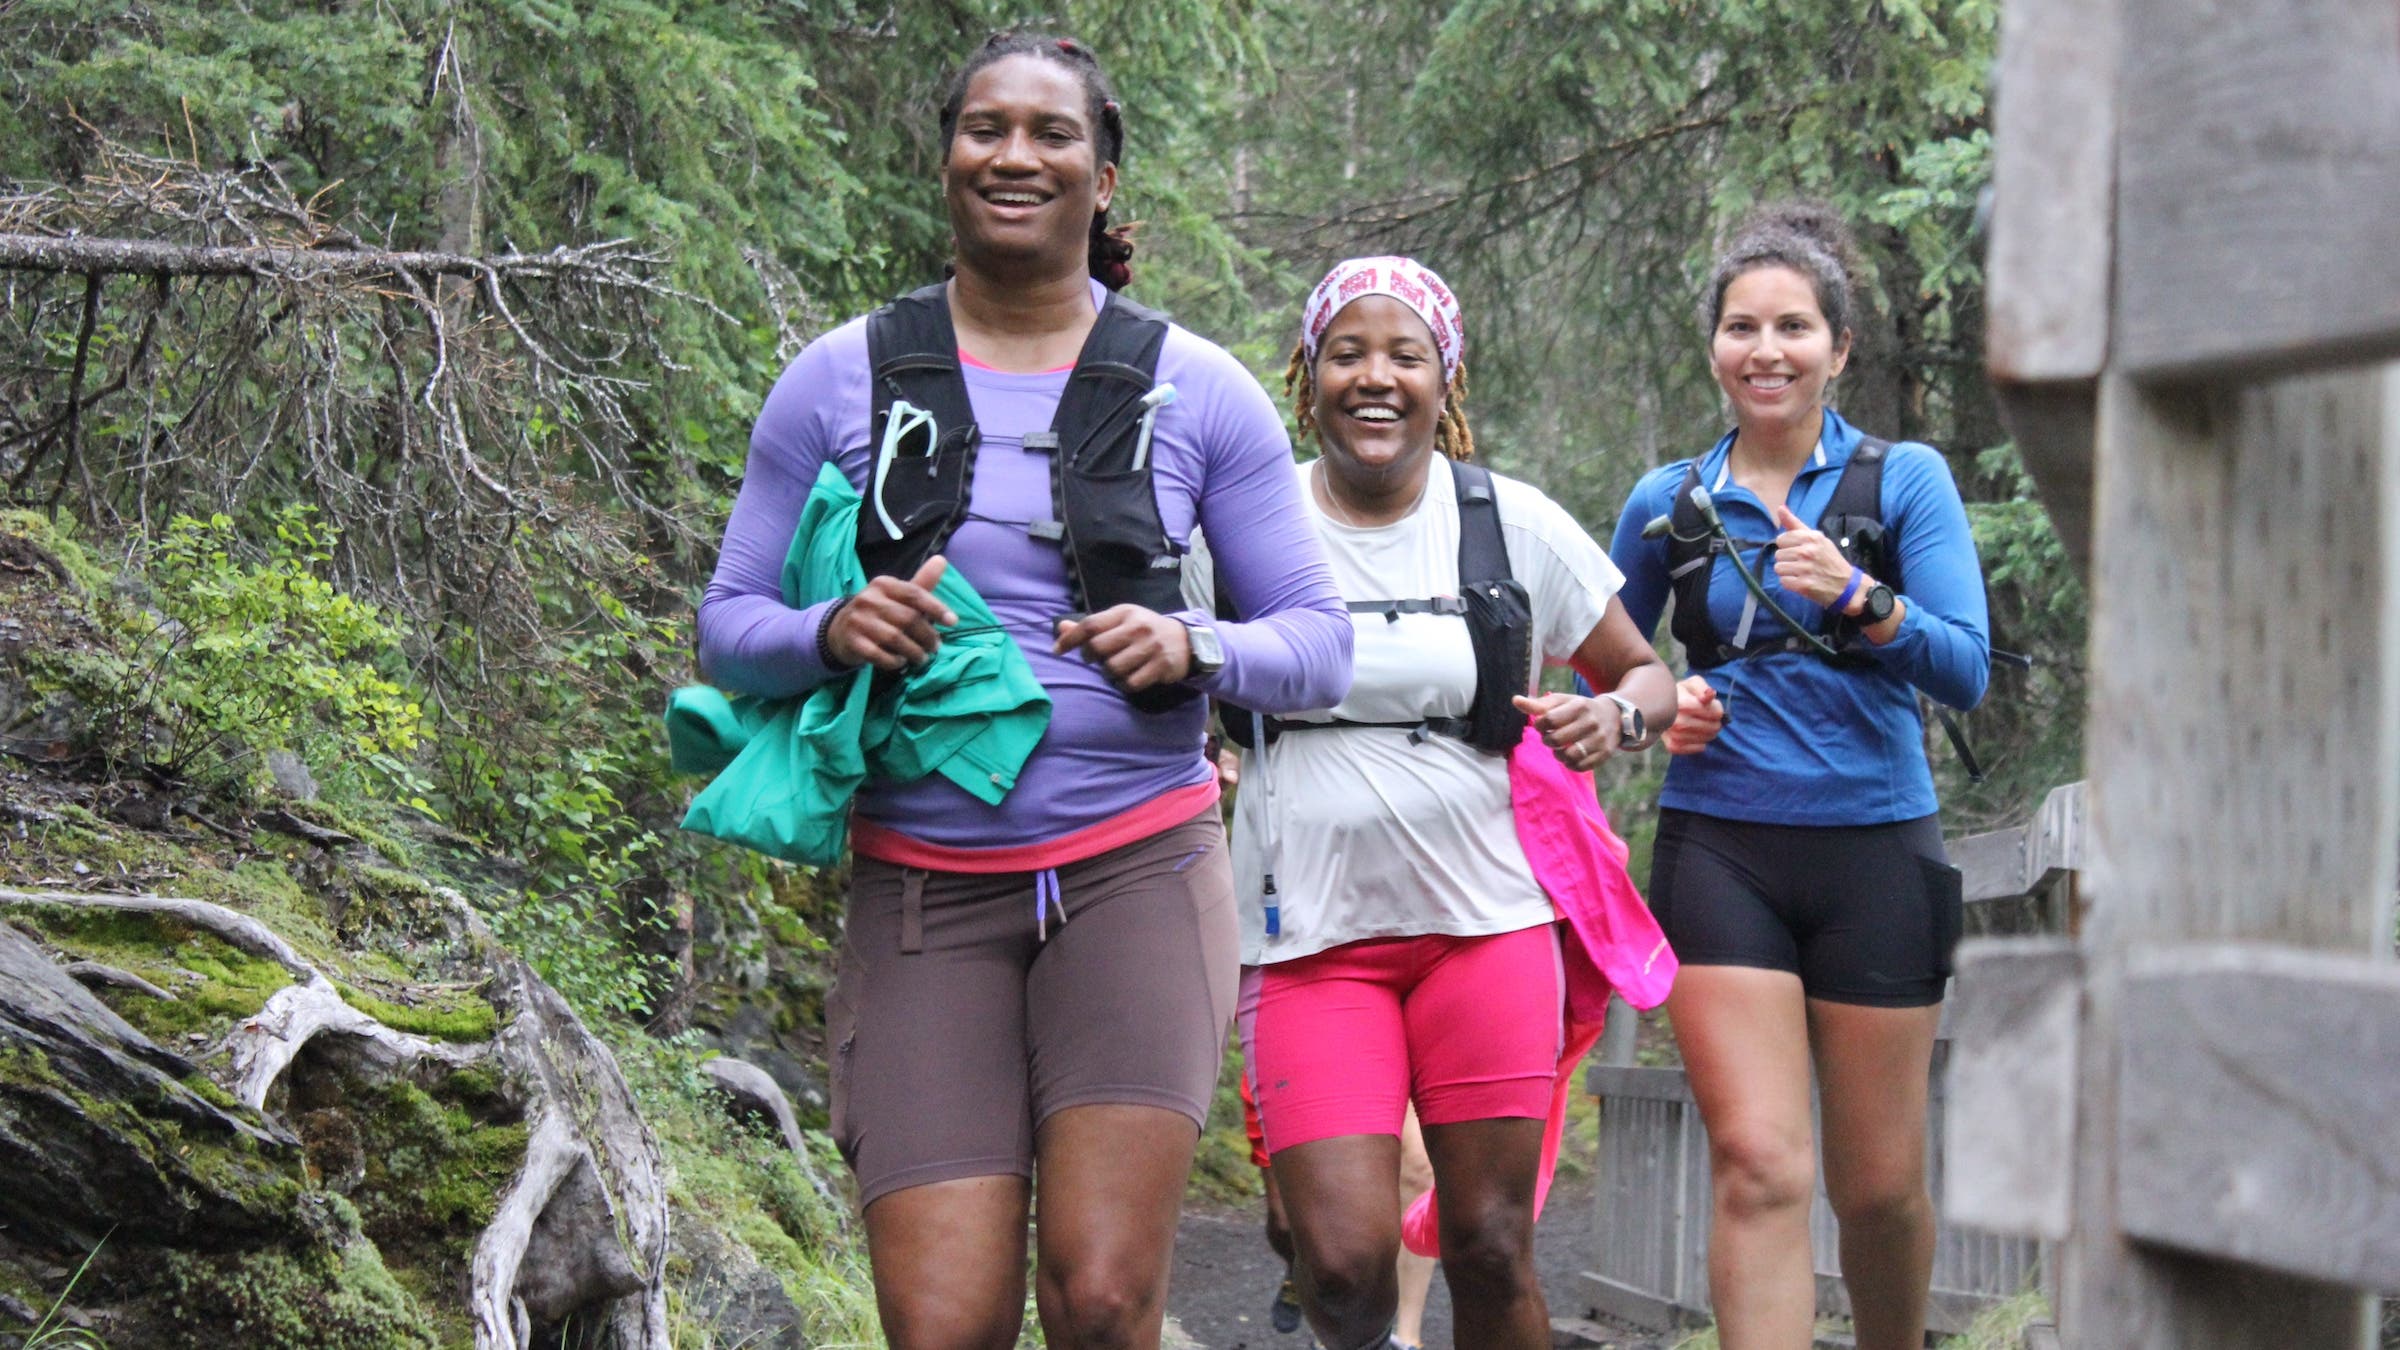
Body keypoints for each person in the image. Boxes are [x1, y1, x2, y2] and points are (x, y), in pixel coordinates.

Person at [696, 31, 1352, 1349]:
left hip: (1139, 874)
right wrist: (834, 628)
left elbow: (1318, 643)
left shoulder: (1199, 390)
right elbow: (729, 629)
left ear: (1104, 178)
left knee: (1104, 1301)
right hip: (922, 890)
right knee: (943, 1323)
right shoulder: (840, 379)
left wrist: (1197, 648)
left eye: (1052, 134)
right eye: (985, 127)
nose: (1015, 154)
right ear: (946, 159)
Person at [1216, 256, 1677, 1350]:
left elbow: (1642, 673)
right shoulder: (1240, 525)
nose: (1375, 378)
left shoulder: (1508, 522)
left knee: (1488, 1241)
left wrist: (1612, 721)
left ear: (1446, 379)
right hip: (1308, 938)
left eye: (1404, 355)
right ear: (1307, 374)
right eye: (1348, 353)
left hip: (1488, 926)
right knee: (1340, 1262)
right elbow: (1160, 668)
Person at [1606, 203, 1989, 1350]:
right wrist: (1657, 714)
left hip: (1877, 845)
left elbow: (1964, 667)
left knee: (1877, 1187)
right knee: (1763, 1165)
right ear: (1714, 347)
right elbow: (1609, 670)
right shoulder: (1666, 505)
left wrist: (1863, 600)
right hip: (1722, 846)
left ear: (1839, 348)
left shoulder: (1901, 481)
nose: (1765, 351)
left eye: (1792, 328)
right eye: (1740, 328)